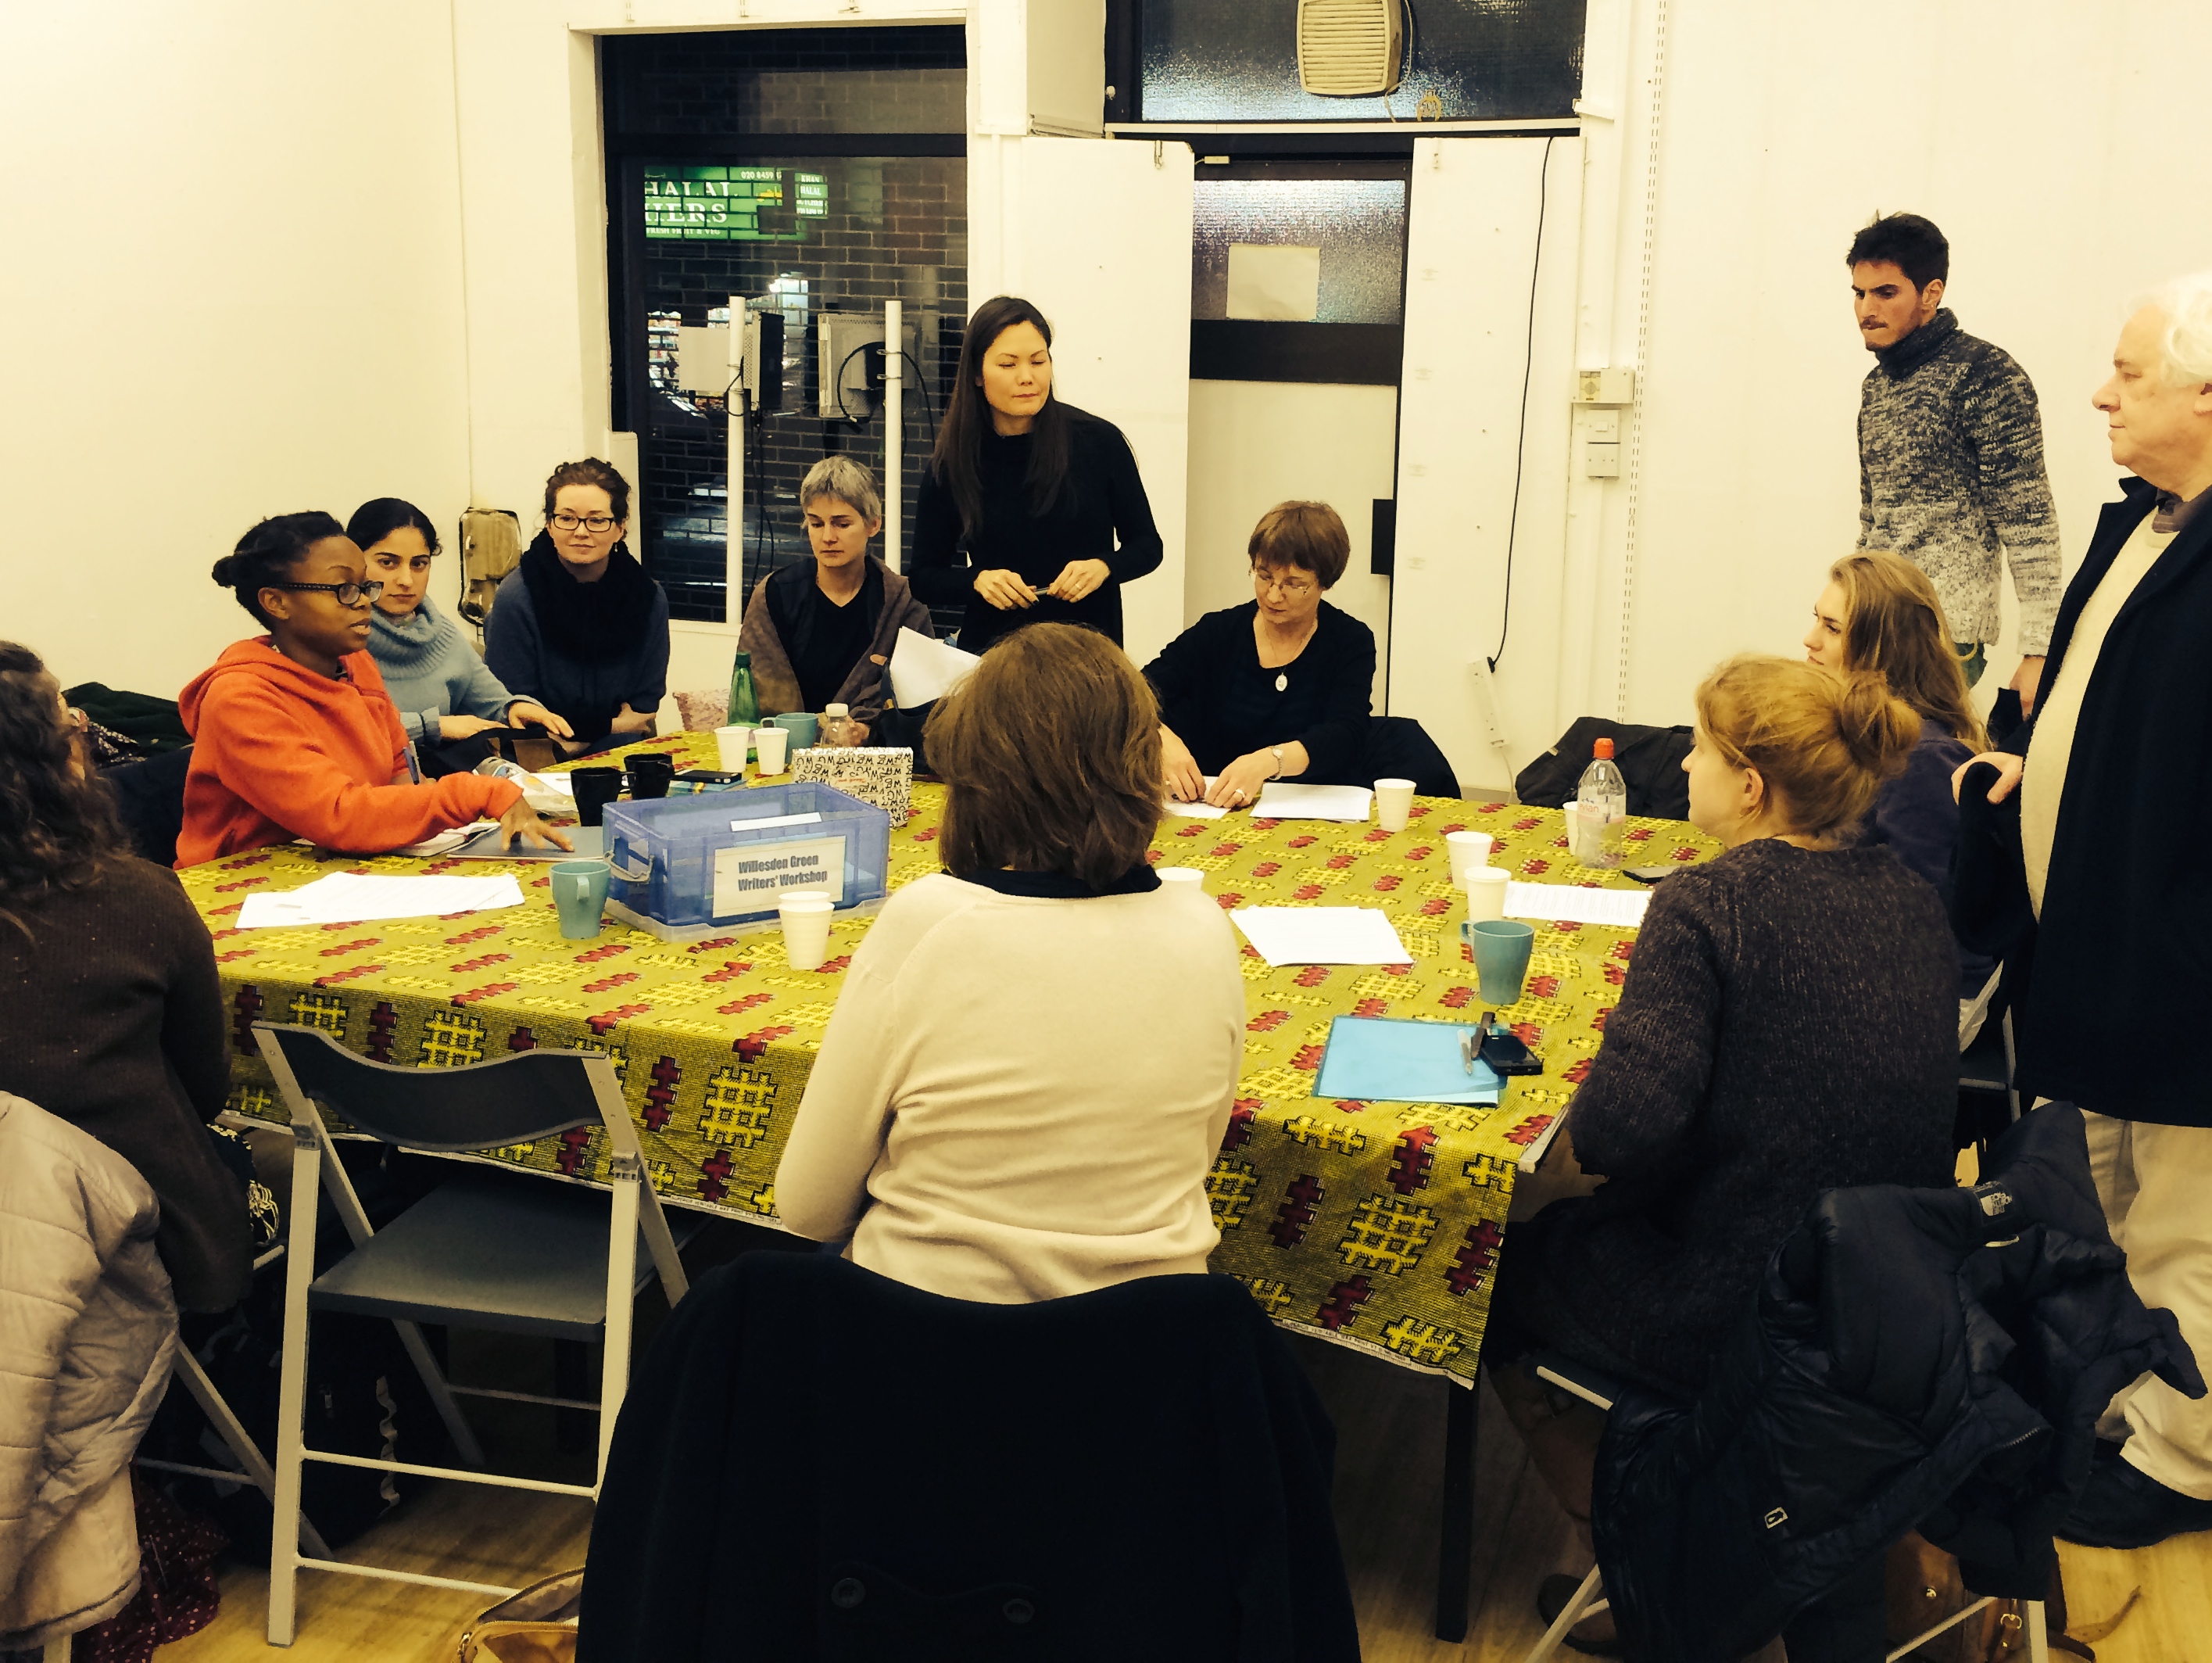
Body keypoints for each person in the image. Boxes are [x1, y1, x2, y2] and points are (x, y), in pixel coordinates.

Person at [1489, 654, 1956, 1656]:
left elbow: (1620, 1134)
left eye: (1699, 747)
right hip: (1892, 1298)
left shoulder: (1710, 904)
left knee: (1491, 1275)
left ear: (1750, 785)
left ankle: (1665, 1572)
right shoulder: (1910, 896)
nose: (1685, 764)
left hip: (1748, 1306)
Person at [1953, 272, 2212, 1549]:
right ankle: (2128, 1398)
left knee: (2191, 1222)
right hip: (2101, 954)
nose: (2103, 393)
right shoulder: (2151, 524)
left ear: (2208, 392)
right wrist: (2030, 767)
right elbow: (2109, 708)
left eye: (2131, 372)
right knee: (2112, 1205)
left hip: (2175, 977)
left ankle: (2183, 1463)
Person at [774, 622, 1244, 1303]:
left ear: (976, 775)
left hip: (927, 1352)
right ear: (1143, 768)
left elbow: (808, 1206)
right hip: (1148, 1364)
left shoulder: (926, 921)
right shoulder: (1204, 928)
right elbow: (1196, 1158)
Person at [0, 641, 251, 1311]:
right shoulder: (134, 898)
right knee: (323, 1195)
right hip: (138, 1248)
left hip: (29, 1267)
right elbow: (204, 1089)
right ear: (53, 762)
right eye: (71, 723)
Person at [179, 513, 568, 864]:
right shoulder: (240, 698)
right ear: (277, 602)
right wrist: (479, 794)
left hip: (339, 869)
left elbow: (398, 770)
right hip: (245, 890)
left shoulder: (353, 663)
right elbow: (339, 814)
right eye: (344, 589)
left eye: (365, 587)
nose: (364, 602)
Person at [1849, 211, 2061, 711]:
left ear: (1931, 293)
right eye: (1858, 294)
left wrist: (2039, 649)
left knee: (1904, 771)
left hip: (1942, 632)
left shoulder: (1986, 374)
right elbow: (1873, 514)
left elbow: (2029, 521)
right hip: (1874, 619)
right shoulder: (1877, 387)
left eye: (1885, 293)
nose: (1866, 308)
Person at [910, 296, 1163, 655]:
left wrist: (1105, 566)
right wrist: (978, 581)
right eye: (1008, 364)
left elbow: (1148, 546)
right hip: (996, 656)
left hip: (1089, 654)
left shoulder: (1098, 442)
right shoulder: (953, 461)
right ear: (977, 375)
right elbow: (923, 577)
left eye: (1038, 361)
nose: (1027, 377)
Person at [1803, 549, 1995, 1009]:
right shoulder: (1867, 737)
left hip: (1918, 1003)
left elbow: (1921, 927)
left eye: (1832, 628)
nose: (1809, 640)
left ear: (1880, 646)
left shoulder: (1921, 761)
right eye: (1817, 620)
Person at [1146, 501, 1376, 808]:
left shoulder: (1350, 640)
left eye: (1294, 584)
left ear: (1325, 582)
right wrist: (1161, 737)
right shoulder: (1217, 632)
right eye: (1264, 576)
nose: (1273, 595)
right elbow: (1130, 692)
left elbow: (1346, 734)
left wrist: (1270, 761)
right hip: (1212, 806)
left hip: (1310, 805)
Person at [351, 496, 573, 775]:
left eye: (419, 564)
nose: (406, 580)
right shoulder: (338, 639)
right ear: (353, 562)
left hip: (445, 787)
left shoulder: (440, 633)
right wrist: (436, 726)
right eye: (388, 563)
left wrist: (514, 708)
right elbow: (341, 729)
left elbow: (491, 701)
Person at [738, 457, 932, 744]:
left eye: (841, 524)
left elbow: (921, 698)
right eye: (816, 524)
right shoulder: (776, 594)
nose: (828, 537)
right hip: (786, 748)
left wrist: (867, 730)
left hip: (877, 755)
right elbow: (757, 692)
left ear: (873, 525)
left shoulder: (903, 602)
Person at [484, 459, 670, 754]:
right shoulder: (517, 597)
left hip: (626, 749)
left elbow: (644, 710)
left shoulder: (648, 597)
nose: (581, 532)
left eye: (597, 520)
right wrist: (606, 727)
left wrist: (587, 736)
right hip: (540, 753)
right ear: (549, 525)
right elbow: (515, 712)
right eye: (567, 519)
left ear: (620, 528)